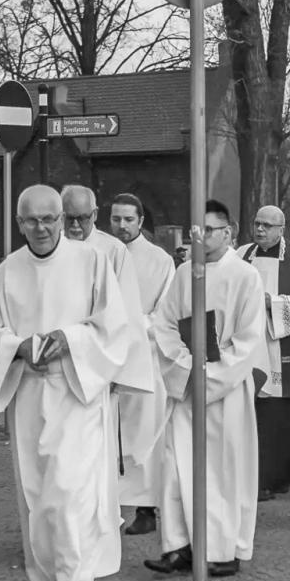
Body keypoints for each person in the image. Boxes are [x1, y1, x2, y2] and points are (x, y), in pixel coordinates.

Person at [0, 184, 137, 581]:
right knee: (37, 489)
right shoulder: (6, 272)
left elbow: (115, 326)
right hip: (28, 392)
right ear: (19, 222)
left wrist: (71, 339)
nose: (41, 227)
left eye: (50, 218)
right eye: (32, 220)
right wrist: (17, 347)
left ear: (62, 219)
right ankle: (46, 578)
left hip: (76, 392)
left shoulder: (91, 261)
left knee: (71, 487)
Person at [142, 200, 268, 578]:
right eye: (196, 230)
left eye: (209, 230)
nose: (200, 237)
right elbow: (163, 325)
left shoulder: (246, 276)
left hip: (225, 392)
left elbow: (248, 339)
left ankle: (223, 549)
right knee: (177, 466)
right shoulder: (184, 274)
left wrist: (211, 375)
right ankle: (180, 546)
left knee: (223, 471)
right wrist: (184, 367)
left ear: (228, 233)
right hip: (186, 388)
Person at [59, 183, 158, 529]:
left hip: (97, 364)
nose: (74, 227)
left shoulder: (112, 251)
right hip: (58, 367)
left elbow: (125, 313)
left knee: (98, 447)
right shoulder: (49, 248)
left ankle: (101, 517)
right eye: (68, 218)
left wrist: (119, 367)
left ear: (94, 216)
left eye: (82, 219)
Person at [237, 205, 290, 500]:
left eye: (268, 225)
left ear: (281, 230)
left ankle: (275, 475)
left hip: (279, 344)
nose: (260, 229)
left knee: (279, 415)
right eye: (257, 223)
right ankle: (267, 475)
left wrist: (272, 303)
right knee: (254, 412)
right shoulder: (241, 255)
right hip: (248, 343)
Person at [110, 192, 176, 538]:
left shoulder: (159, 260)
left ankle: (147, 508)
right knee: (108, 436)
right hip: (104, 358)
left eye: (128, 220)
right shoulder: (99, 252)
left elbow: (165, 312)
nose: (121, 226)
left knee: (144, 436)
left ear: (140, 221)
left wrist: (133, 328)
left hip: (145, 356)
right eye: (116, 219)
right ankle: (108, 510)